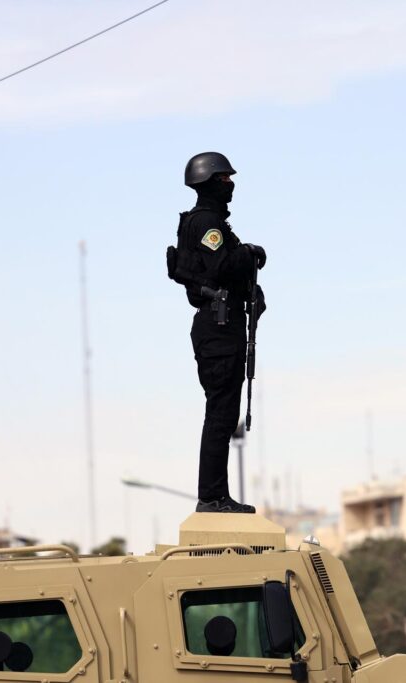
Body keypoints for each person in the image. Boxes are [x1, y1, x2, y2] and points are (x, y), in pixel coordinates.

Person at [169, 152, 266, 513]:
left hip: (220, 324)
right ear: (209, 183)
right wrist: (250, 253)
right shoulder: (207, 223)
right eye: (224, 179)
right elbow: (221, 264)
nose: (230, 184)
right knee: (221, 415)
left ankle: (215, 495)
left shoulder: (208, 223)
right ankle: (212, 497)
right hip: (218, 326)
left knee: (223, 413)